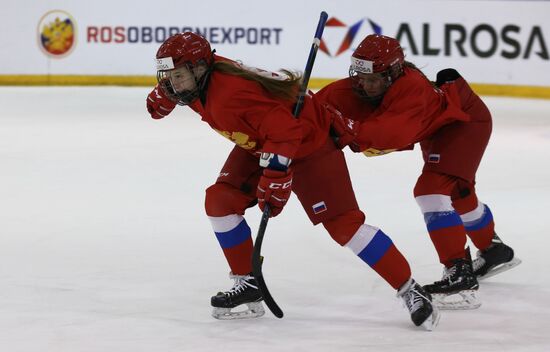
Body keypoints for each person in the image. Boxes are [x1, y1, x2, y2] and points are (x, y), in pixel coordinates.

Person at [146, 32, 439, 329]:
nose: (171, 84)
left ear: (198, 69)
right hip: (262, 142)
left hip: (310, 144)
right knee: (220, 200)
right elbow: (270, 130)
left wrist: (276, 174)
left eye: (176, 76)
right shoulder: (200, 83)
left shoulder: (230, 94)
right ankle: (248, 282)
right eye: (167, 77)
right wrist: (166, 92)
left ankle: (410, 289)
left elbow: (287, 130)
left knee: (344, 226)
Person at [317, 34, 521, 310]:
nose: (364, 85)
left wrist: (344, 126)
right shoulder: (369, 83)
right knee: (458, 194)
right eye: (360, 77)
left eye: (373, 79)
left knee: (431, 191)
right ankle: (495, 251)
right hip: (440, 129)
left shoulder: (413, 90)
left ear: (393, 72)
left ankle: (459, 273)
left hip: (466, 124)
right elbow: (325, 101)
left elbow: (387, 135)